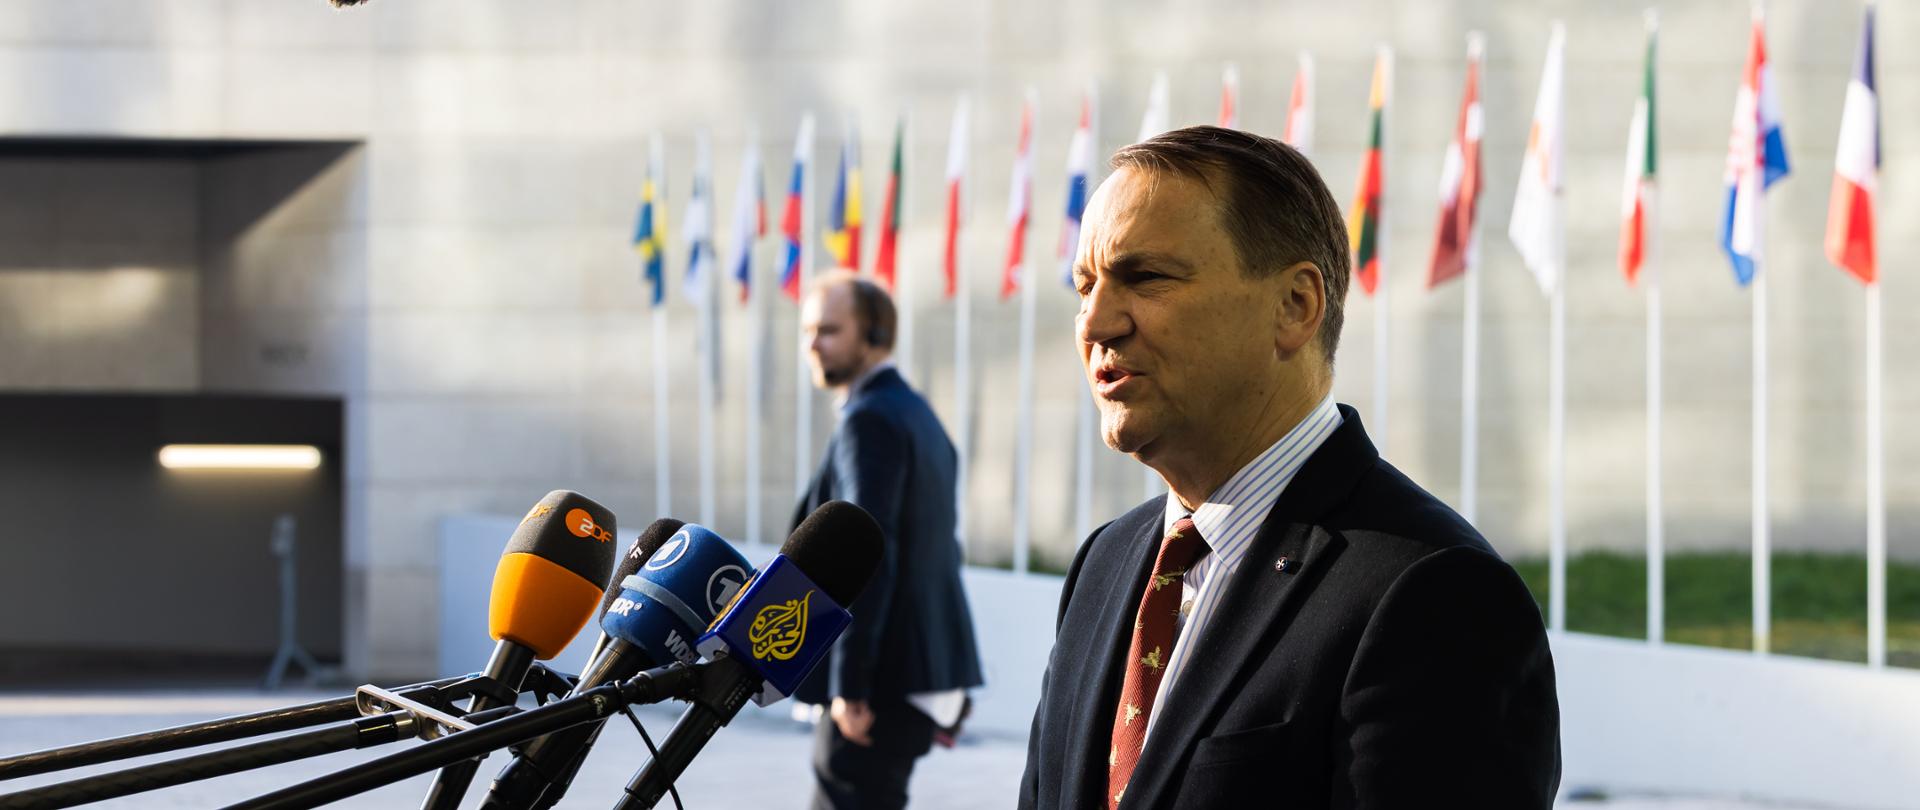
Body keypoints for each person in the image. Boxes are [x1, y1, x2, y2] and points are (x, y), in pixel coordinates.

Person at [1019, 126, 1560, 809]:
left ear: (1295, 307)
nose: (1096, 324)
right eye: (1084, 286)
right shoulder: (1106, 564)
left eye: (1145, 277)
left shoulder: (1436, 596)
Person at [793, 271, 986, 810]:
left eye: (829, 329)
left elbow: (867, 555)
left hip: (879, 683)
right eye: (808, 329)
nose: (812, 343)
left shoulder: (869, 419)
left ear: (875, 334)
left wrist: (849, 683)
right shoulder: (915, 412)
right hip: (914, 671)